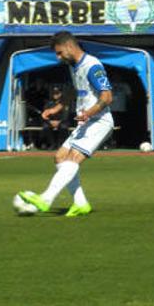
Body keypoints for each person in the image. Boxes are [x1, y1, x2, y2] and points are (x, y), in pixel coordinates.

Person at [18, 31, 114, 217]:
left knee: (72, 159)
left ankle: (45, 199)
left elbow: (107, 96)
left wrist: (88, 113)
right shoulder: (74, 66)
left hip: (99, 121)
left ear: (70, 47)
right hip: (86, 122)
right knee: (60, 157)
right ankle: (80, 203)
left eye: (59, 52)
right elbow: (74, 91)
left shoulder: (92, 66)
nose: (58, 57)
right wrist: (57, 108)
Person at [40, 85, 71, 151]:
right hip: (50, 121)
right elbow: (45, 114)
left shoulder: (64, 102)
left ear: (60, 93)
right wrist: (50, 121)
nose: (55, 95)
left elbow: (66, 115)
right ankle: (52, 144)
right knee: (45, 127)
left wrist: (59, 121)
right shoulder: (48, 103)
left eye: (57, 93)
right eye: (54, 93)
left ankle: (60, 145)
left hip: (62, 121)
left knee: (63, 127)